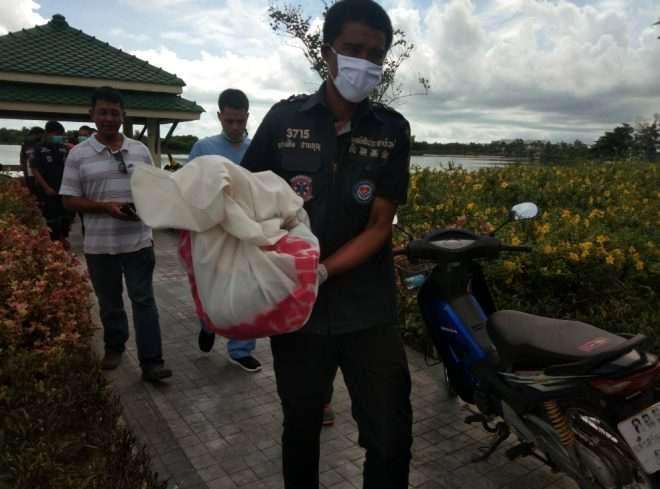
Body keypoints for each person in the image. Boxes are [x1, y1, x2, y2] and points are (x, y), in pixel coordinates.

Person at [240, 1, 413, 487]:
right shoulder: (282, 120)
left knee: (391, 437)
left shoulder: (391, 130)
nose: (364, 63)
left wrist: (319, 272)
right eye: (353, 49)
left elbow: (380, 225)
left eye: (376, 55)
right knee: (300, 428)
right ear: (327, 52)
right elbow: (249, 204)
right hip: (297, 315)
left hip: (368, 310)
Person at [60, 86, 172, 382]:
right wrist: (104, 207)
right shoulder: (79, 155)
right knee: (110, 304)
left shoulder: (139, 150)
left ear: (123, 115)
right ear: (92, 115)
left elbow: (156, 188)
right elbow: (69, 200)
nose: (109, 118)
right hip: (99, 245)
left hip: (139, 242)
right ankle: (114, 346)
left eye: (115, 113)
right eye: (103, 113)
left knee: (144, 301)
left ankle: (152, 362)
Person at [187, 88, 262, 373]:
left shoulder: (257, 148)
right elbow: (188, 188)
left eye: (240, 121)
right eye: (229, 121)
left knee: (246, 291)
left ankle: (240, 349)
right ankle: (208, 323)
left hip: (246, 232)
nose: (235, 127)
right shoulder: (202, 148)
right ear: (219, 116)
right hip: (212, 232)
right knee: (211, 285)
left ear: (247, 118)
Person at [30, 120, 75, 247]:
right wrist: (46, 187)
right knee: (52, 217)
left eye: (61, 134)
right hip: (47, 189)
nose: (59, 136)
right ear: (48, 133)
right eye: (57, 134)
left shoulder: (63, 147)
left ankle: (63, 236)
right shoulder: (38, 148)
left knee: (68, 215)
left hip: (64, 188)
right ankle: (55, 241)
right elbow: (35, 169)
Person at [20, 126, 44, 195]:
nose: (41, 137)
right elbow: (23, 158)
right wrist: (24, 173)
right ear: (35, 134)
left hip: (39, 174)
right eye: (40, 135)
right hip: (29, 173)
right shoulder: (25, 143)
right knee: (32, 192)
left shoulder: (40, 143)